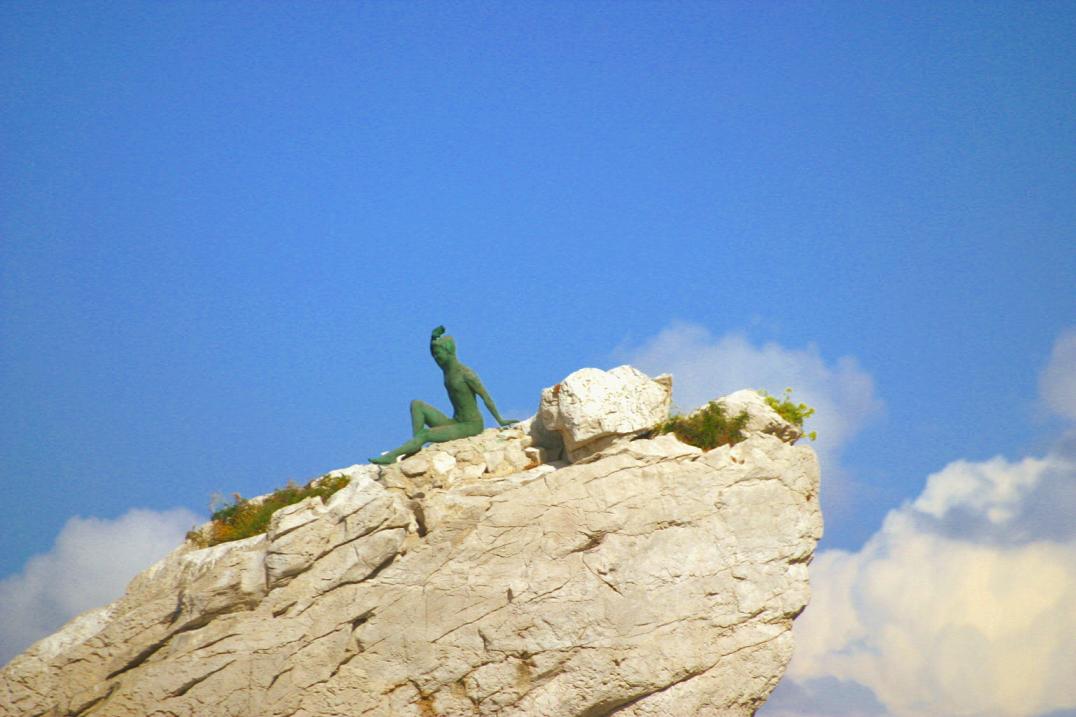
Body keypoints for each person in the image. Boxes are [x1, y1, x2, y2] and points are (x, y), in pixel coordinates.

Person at [370, 326, 515, 464]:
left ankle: (393, 456)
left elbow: (486, 397)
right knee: (417, 404)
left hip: (471, 425)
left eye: (438, 354)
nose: (436, 357)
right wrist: (432, 338)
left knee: (426, 434)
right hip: (455, 422)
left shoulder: (466, 373)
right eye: (435, 355)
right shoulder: (446, 369)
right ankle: (416, 444)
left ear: (448, 352)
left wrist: (500, 420)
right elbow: (432, 352)